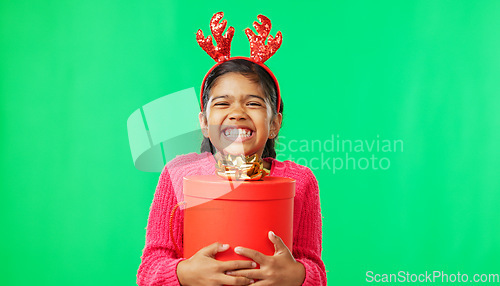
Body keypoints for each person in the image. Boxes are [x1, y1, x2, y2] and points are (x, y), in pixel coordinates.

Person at [137, 12, 326, 286]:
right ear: (204, 123)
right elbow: (149, 270)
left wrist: (297, 275)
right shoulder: (177, 175)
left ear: (274, 124)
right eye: (223, 104)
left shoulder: (301, 181)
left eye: (253, 103)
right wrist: (183, 273)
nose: (237, 113)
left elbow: (315, 270)